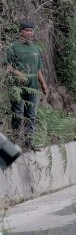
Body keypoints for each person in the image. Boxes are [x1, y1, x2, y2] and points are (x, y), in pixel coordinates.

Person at [3, 20, 49, 151]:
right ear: (21, 32)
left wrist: (43, 84)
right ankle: (15, 143)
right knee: (18, 114)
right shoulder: (13, 47)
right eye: (26, 30)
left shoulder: (35, 48)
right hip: (16, 88)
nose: (29, 33)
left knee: (31, 116)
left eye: (31, 31)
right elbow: (7, 66)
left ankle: (29, 143)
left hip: (33, 88)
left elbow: (38, 69)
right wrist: (18, 74)